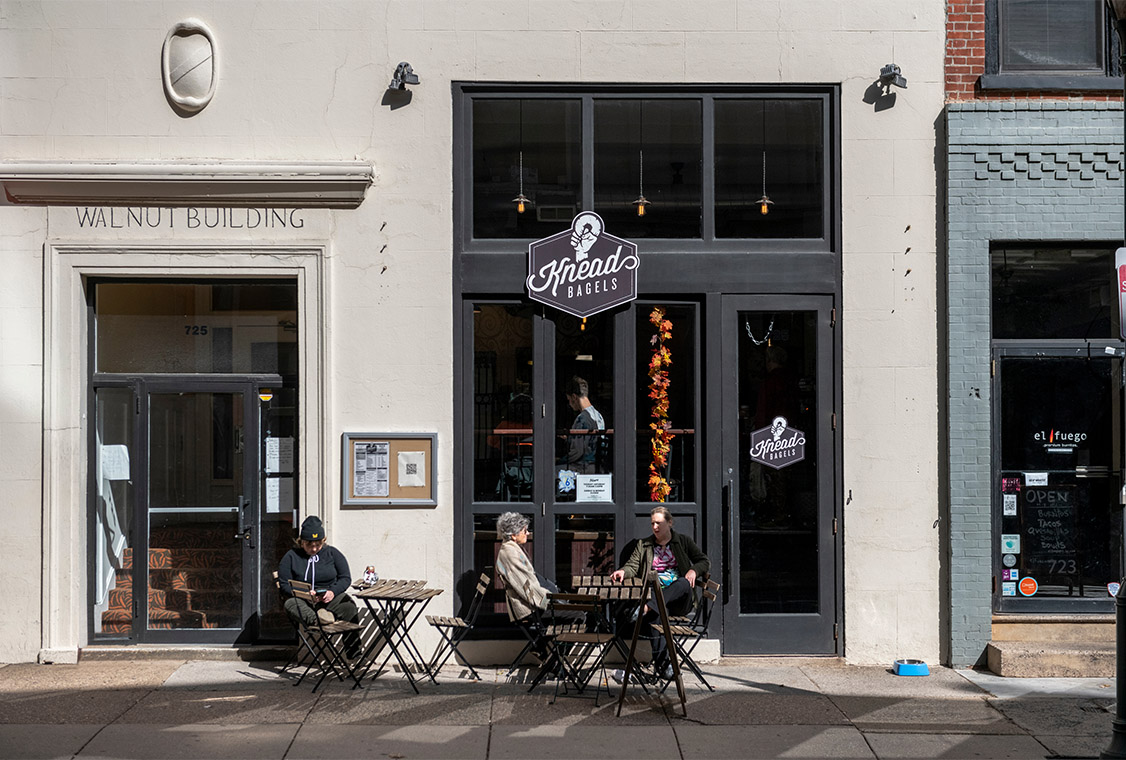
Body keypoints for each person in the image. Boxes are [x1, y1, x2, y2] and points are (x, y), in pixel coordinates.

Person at [610, 505, 710, 681]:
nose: (655, 527)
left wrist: (694, 570)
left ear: (669, 523)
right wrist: (623, 571)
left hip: (680, 601)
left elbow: (704, 561)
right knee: (656, 612)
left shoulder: (683, 541)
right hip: (657, 600)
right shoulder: (644, 545)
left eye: (659, 523)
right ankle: (664, 668)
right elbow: (633, 565)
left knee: (683, 582)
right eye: (652, 524)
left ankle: (646, 607)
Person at [277, 515, 361, 657]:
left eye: (318, 544)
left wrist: (332, 592)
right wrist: (304, 594)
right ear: (301, 542)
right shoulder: (291, 556)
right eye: (309, 545)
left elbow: (345, 578)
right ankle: (319, 619)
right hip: (304, 601)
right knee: (290, 604)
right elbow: (285, 584)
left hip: (329, 599)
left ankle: (354, 654)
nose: (314, 548)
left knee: (349, 607)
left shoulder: (333, 553)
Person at [560, 376, 605, 474]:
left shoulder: (582, 419)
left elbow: (577, 453)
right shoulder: (598, 415)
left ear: (574, 397)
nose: (569, 404)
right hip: (597, 465)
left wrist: (560, 460)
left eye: (569, 400)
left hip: (582, 467)